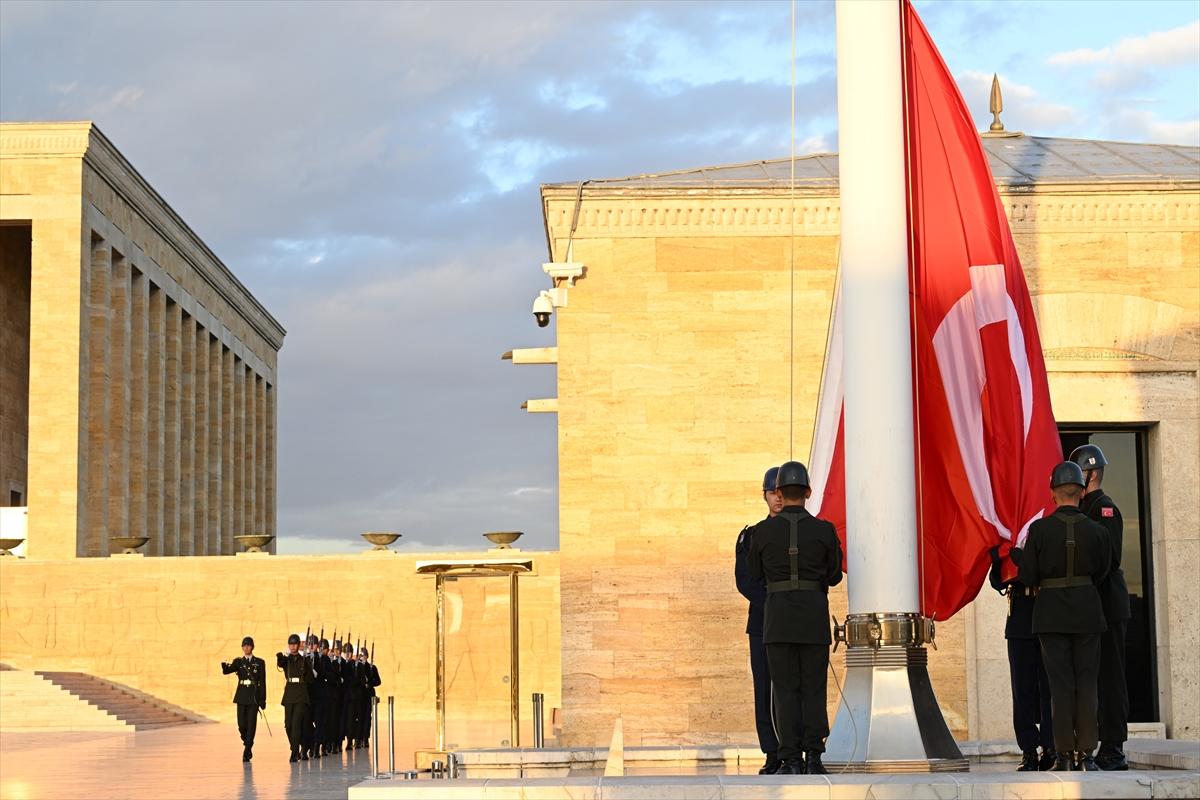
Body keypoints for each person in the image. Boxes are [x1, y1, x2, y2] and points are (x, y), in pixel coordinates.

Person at [748, 460, 843, 775]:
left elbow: (754, 575)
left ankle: (790, 759)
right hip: (813, 619)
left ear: (778, 492)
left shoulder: (760, 533)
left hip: (777, 620)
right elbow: (833, 576)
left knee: (784, 689)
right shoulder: (825, 530)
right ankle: (814, 756)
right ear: (808, 492)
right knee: (813, 688)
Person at [1016, 462, 1110, 771]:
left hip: (1051, 614)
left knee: (1059, 686)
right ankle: (1086, 754)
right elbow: (1103, 572)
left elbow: (1028, 575)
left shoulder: (1039, 530)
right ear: (1082, 494)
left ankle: (1065, 756)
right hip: (1087, 612)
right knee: (1087, 683)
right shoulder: (1098, 531)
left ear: (1053, 494)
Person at [1070, 443, 1130, 771]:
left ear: (1090, 474)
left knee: (1111, 678)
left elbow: (1109, 559)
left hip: (1108, 606)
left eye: (1080, 473)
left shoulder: (1104, 508)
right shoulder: (1083, 509)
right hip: (1093, 609)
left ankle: (1114, 747)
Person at [988, 546, 1056, 770]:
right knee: (1022, 690)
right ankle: (1028, 750)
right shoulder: (1011, 535)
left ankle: (1050, 747)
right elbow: (997, 582)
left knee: (1050, 690)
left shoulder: (1045, 531)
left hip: (1047, 614)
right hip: (1019, 618)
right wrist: (998, 559)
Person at [734, 465, 783, 774]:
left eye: (781, 492)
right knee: (764, 688)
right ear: (764, 496)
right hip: (763, 623)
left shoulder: (806, 532)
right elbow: (746, 581)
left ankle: (795, 750)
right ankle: (772, 752)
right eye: (771, 493)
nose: (777, 498)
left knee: (792, 689)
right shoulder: (751, 536)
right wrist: (776, 606)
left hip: (793, 622)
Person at [221, 636, 266, 762]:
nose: (246, 648)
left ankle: (247, 749)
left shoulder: (260, 662)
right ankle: (247, 742)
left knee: (251, 724)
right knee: (241, 725)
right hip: (241, 696)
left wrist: (263, 699)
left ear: (252, 647)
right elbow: (228, 671)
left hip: (253, 696)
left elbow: (262, 682)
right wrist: (224, 667)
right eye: (244, 646)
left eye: (248, 645)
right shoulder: (239, 662)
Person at [277, 633, 313, 763]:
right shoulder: (286, 660)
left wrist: (306, 671)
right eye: (290, 644)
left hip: (301, 694)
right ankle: (295, 748)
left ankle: (294, 752)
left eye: (295, 644)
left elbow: (311, 680)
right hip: (290, 693)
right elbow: (280, 663)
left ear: (298, 645)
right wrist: (280, 656)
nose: (292, 647)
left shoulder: (305, 660)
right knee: (288, 724)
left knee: (297, 723)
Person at [357, 646, 382, 747]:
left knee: (367, 717)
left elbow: (378, 681)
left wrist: (370, 684)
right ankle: (358, 738)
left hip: (368, 695)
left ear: (366, 656)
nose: (361, 657)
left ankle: (365, 738)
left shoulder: (372, 667)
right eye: (360, 656)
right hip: (359, 695)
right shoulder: (357, 667)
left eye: (363, 656)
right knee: (359, 717)